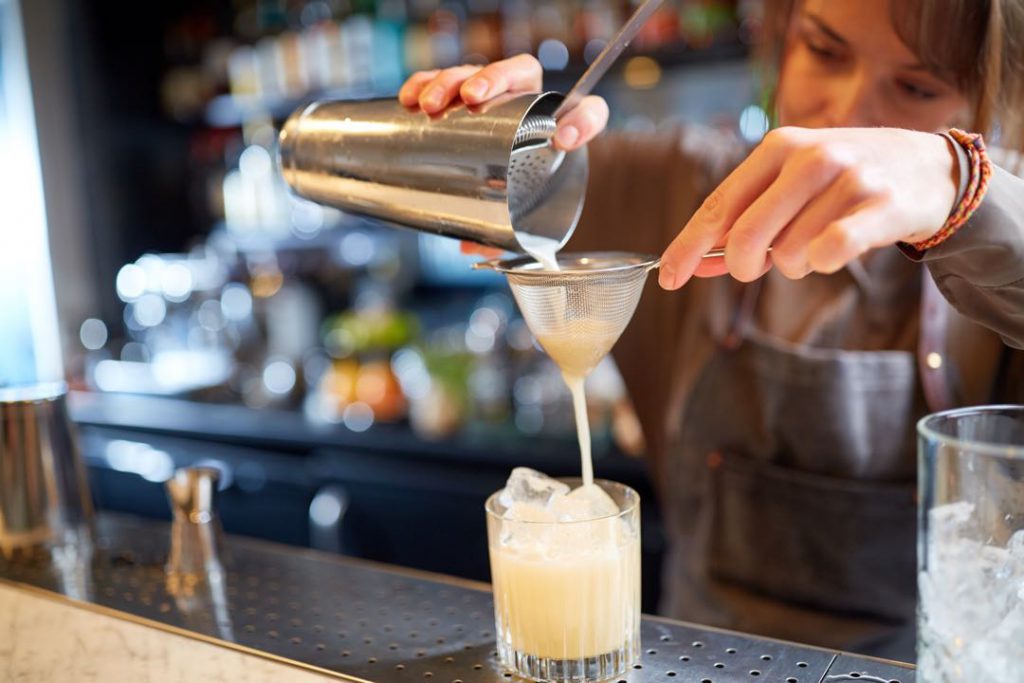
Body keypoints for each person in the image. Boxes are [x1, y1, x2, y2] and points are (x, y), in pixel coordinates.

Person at [399, 0, 1024, 660]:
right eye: (825, 50)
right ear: (781, 37)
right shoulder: (681, 187)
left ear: (986, 98)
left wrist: (962, 188)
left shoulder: (992, 251)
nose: (849, 110)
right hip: (682, 663)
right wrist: (487, 135)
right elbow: (493, 186)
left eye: (917, 86)